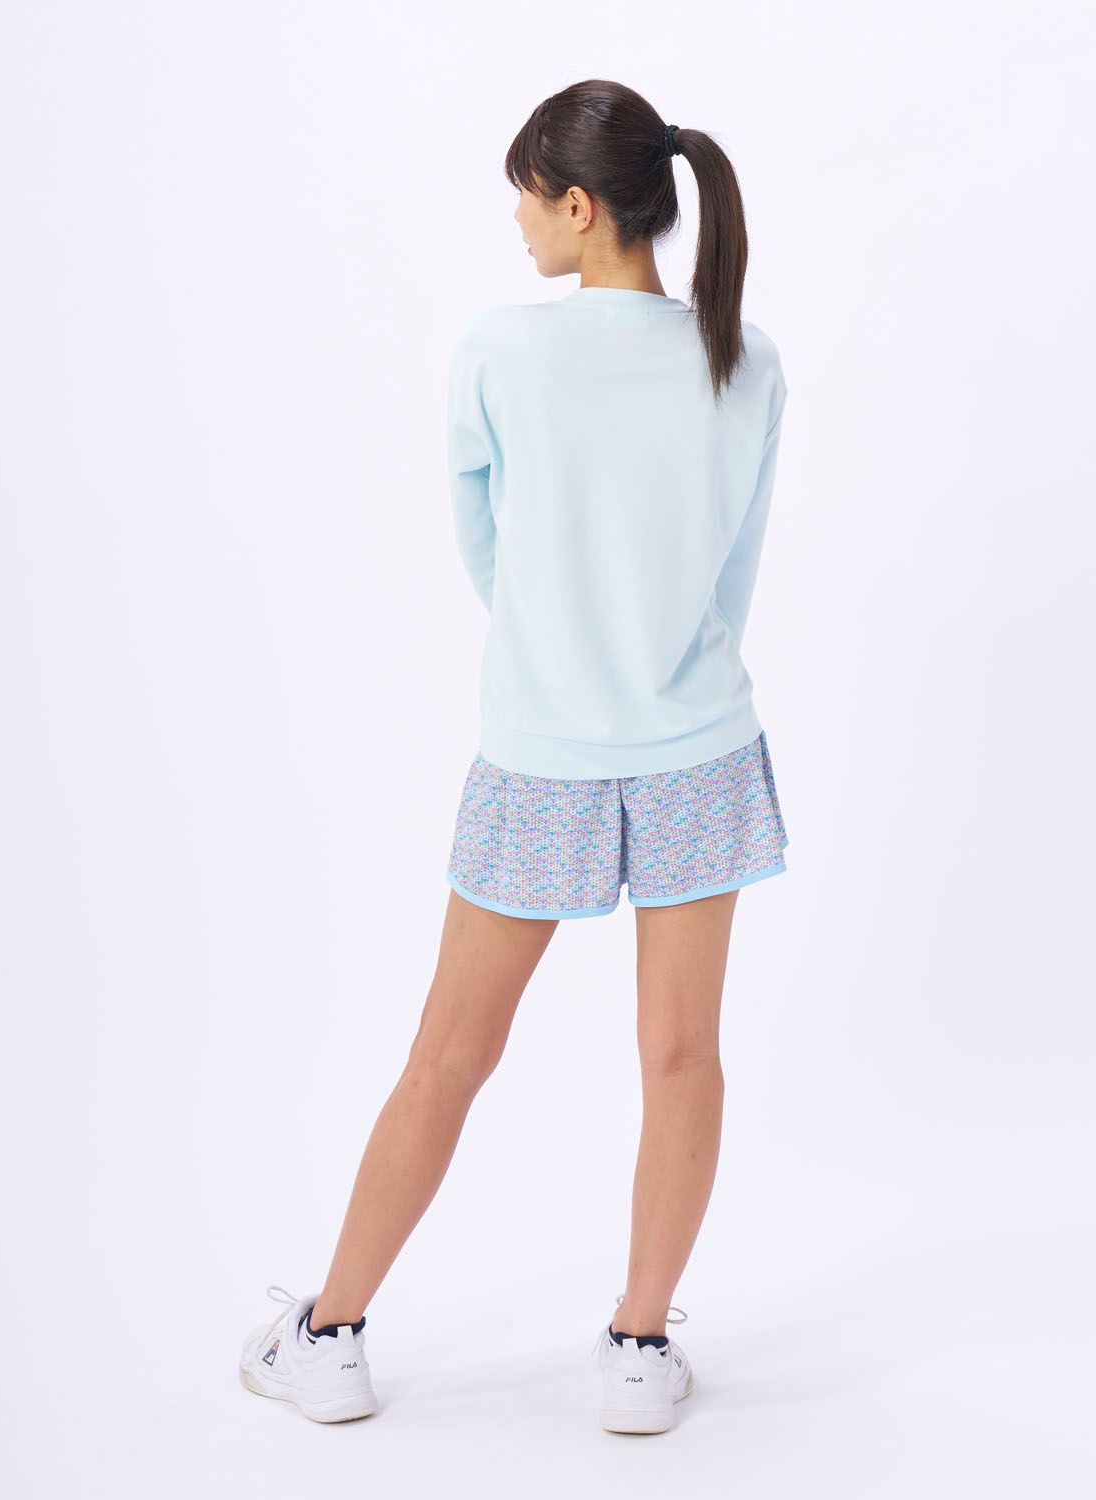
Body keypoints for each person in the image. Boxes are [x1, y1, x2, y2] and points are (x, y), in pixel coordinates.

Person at [239, 78, 790, 1436]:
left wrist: (557, 648)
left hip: (541, 754)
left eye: (529, 201)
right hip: (700, 747)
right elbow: (735, 569)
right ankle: (640, 1350)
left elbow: (481, 545)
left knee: (448, 1053)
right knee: (683, 1057)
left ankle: (329, 1333)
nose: (520, 224)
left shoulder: (499, 350)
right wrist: (652, 656)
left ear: (582, 206)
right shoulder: (745, 355)